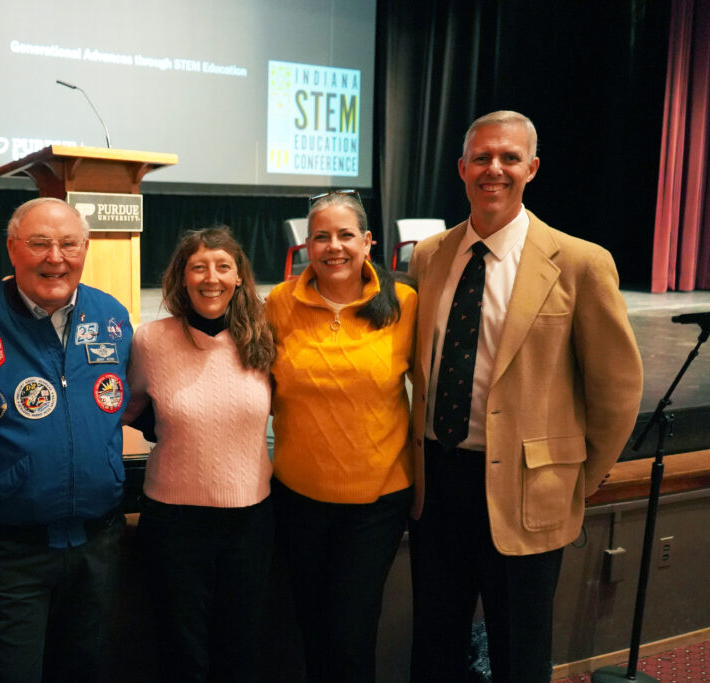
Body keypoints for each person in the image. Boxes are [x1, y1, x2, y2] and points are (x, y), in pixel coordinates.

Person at [407, 110, 644, 683]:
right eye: (482, 158)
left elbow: (617, 389)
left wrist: (575, 478)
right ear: (461, 168)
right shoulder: (429, 256)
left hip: (527, 485)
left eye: (509, 158)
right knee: (434, 645)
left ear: (531, 168)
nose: (495, 169)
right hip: (436, 484)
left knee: (520, 650)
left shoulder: (580, 262)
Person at [0, 197, 132, 683]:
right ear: (12, 249)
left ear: (86, 248)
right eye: (39, 243)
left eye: (68, 244)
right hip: (6, 554)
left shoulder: (112, 316)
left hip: (97, 545)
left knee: (87, 671)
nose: (55, 257)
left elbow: (128, 400)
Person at [265, 190, 417, 682]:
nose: (334, 246)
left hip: (376, 501)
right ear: (306, 244)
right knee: (308, 626)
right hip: (298, 496)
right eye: (321, 236)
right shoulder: (279, 302)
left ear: (368, 242)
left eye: (346, 235)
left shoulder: (406, 304)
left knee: (351, 634)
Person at [123, 226, 275, 682]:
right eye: (199, 267)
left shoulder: (263, 337)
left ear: (239, 277)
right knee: (181, 653)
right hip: (174, 522)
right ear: (181, 278)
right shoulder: (149, 340)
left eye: (223, 266)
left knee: (241, 649)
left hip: (250, 521)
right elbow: (126, 409)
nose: (212, 278)